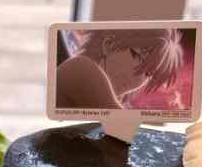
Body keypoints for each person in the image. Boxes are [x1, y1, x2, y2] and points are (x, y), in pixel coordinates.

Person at [56, 28, 185, 111]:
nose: (139, 77)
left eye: (148, 73)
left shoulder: (119, 102)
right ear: (109, 45)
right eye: (137, 56)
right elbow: (120, 124)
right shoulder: (81, 68)